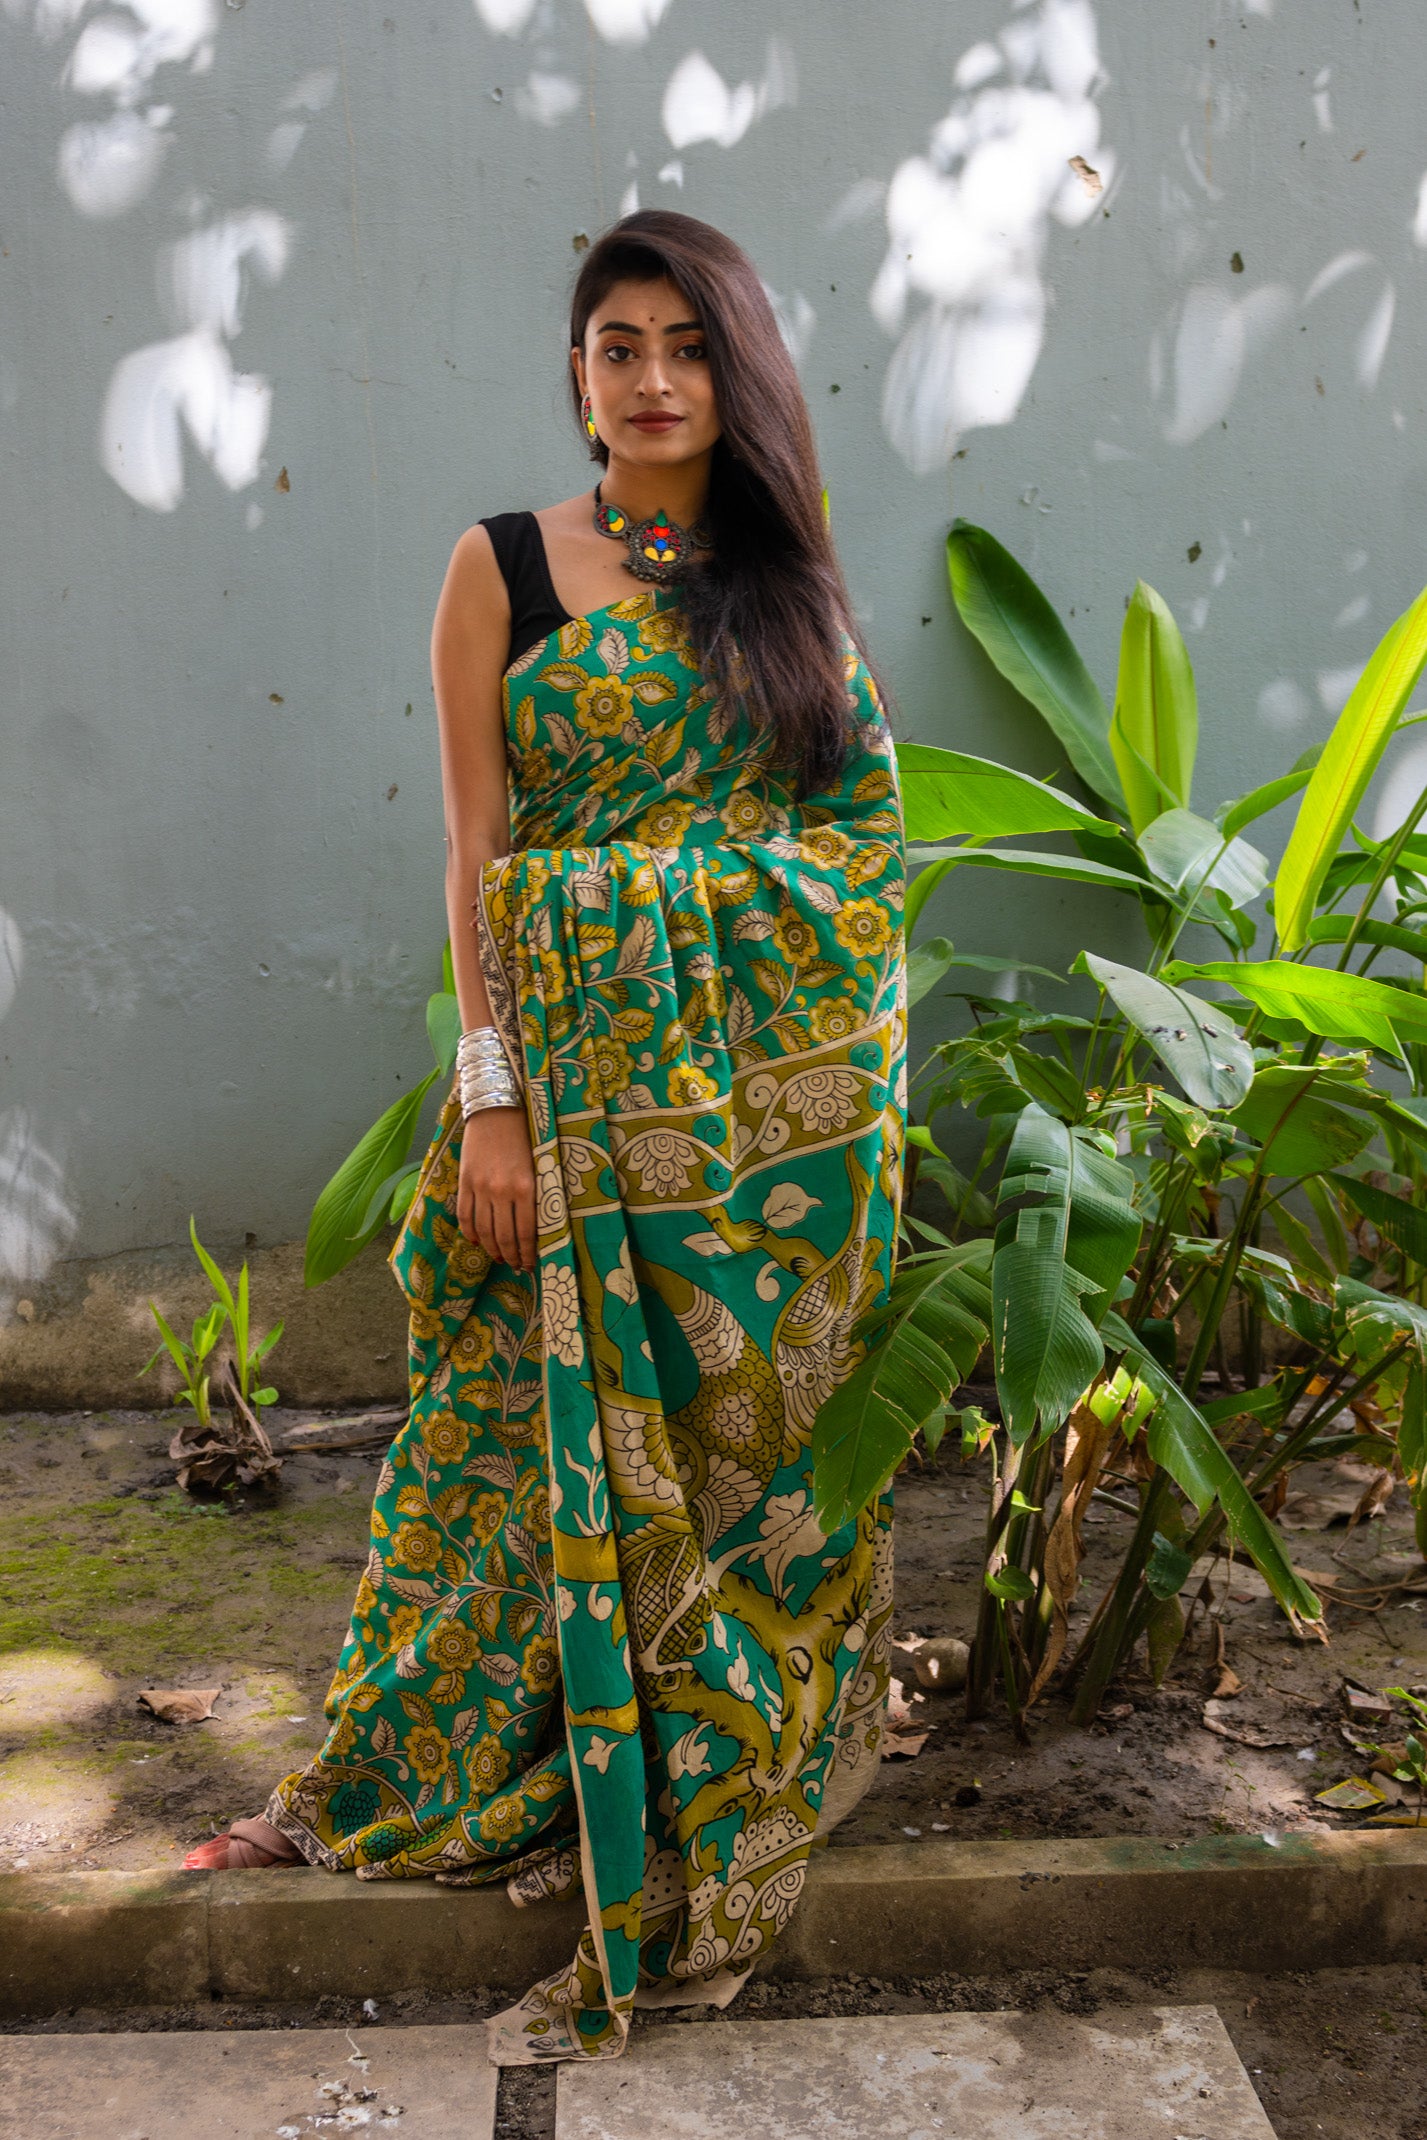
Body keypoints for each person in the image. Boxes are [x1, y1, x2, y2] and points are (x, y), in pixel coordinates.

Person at [184, 208, 907, 2066]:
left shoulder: (790, 587)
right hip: (556, 1118)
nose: (650, 378)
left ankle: (693, 1779)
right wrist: (494, 1092)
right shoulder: (501, 565)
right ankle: (384, 1776)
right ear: (574, 374)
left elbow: (855, 868)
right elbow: (480, 855)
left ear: (729, 373)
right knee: (483, 1457)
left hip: (727, 1163)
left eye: (683, 345)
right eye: (617, 345)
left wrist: (667, 926)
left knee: (722, 1480)